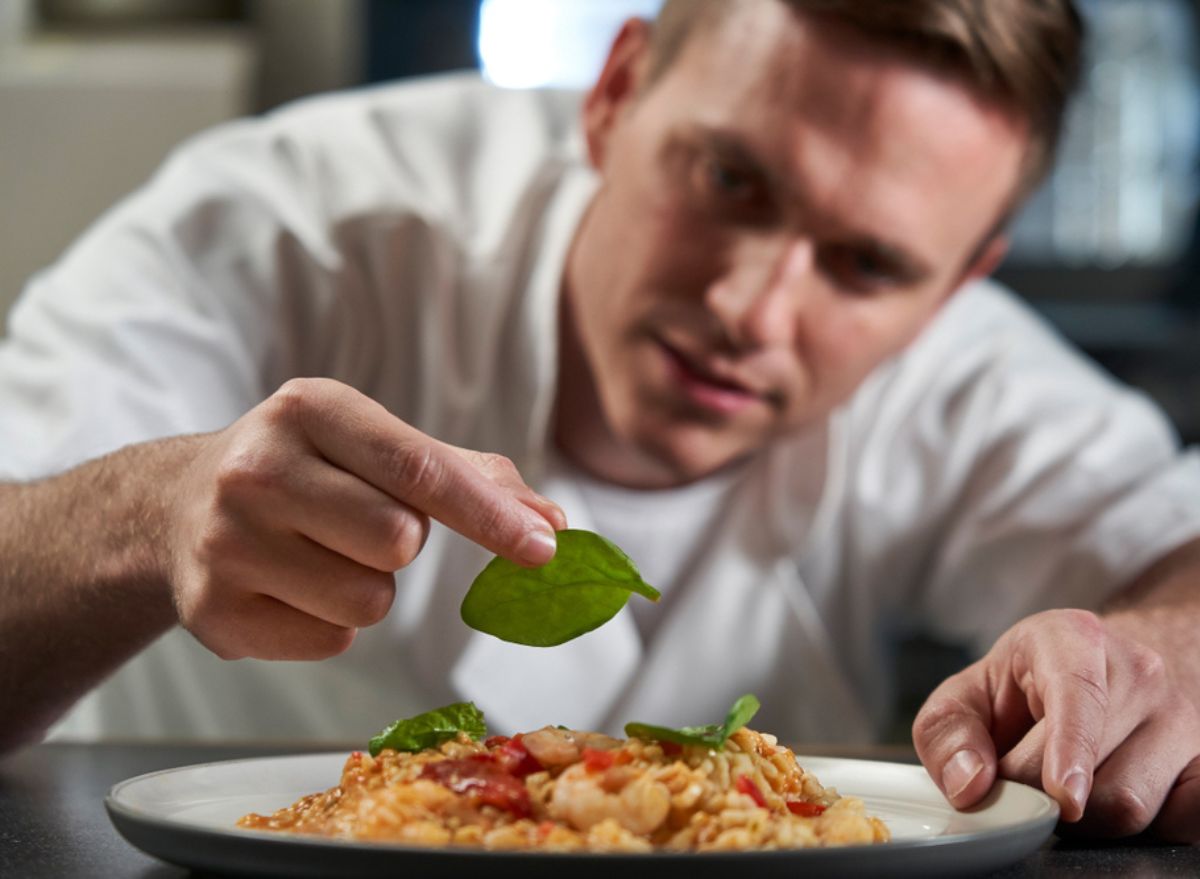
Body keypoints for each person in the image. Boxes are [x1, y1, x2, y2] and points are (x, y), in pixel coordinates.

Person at [1, 0, 1198, 842]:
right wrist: (150, 513)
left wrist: (1158, 653)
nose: (749, 308)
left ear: (956, 284)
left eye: (869, 265)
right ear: (616, 95)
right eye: (729, 181)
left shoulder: (958, 378)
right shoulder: (287, 226)